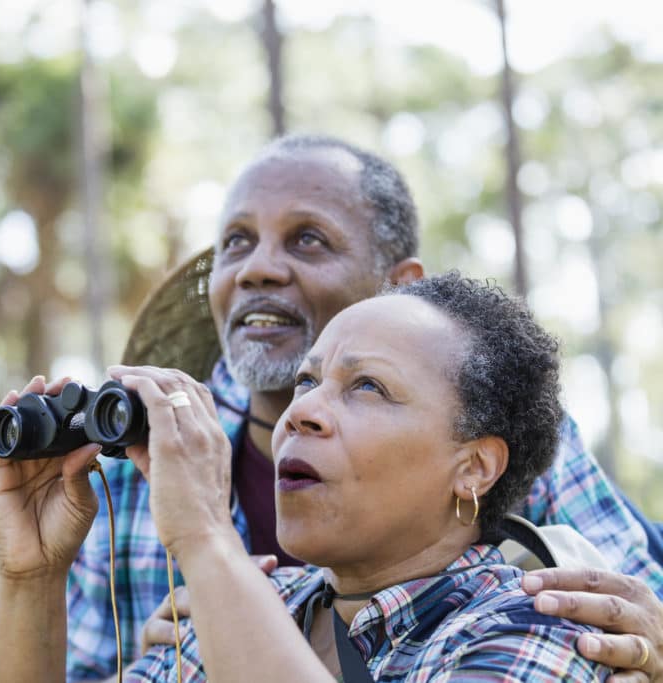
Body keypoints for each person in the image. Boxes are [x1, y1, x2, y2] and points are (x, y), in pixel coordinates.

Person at [65, 134, 663, 681]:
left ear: (400, 284)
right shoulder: (131, 467)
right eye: (236, 242)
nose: (258, 268)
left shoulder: (506, 436)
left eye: (308, 239)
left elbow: (626, 606)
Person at [0, 273, 614, 681]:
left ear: (473, 468)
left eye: (368, 386)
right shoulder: (245, 615)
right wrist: (31, 577)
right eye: (306, 383)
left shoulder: (538, 631)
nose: (301, 412)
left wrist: (206, 538)